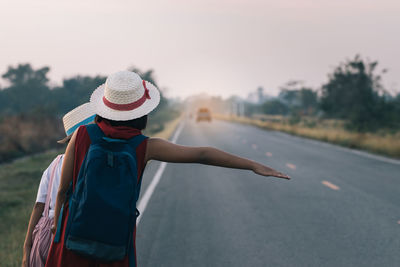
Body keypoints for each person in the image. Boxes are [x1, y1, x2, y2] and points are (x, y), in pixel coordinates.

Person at [46, 71, 290, 267]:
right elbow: (203, 154)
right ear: (142, 113)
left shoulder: (81, 135)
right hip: (116, 241)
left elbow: (63, 190)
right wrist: (254, 166)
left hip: (71, 238)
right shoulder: (146, 146)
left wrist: (57, 228)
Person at [22, 103, 95, 267]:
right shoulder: (92, 161)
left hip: (45, 234)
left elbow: (39, 206)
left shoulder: (54, 164)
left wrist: (27, 247)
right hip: (75, 235)